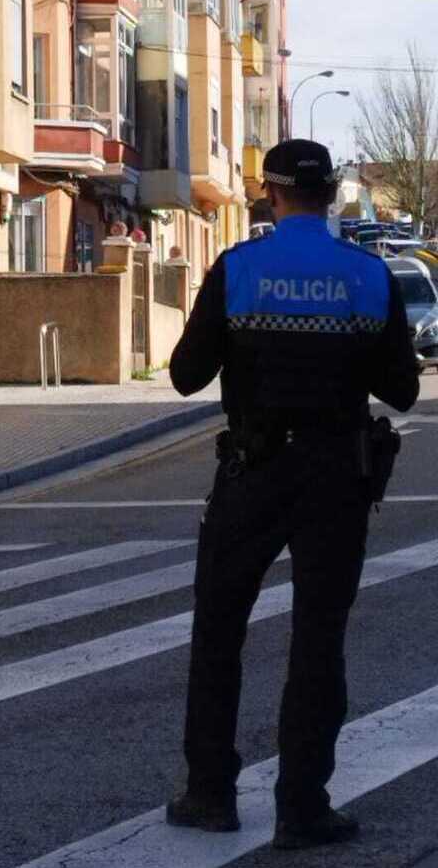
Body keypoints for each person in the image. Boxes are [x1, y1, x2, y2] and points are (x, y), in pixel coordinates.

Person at [165, 140, 420, 849]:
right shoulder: (368, 276)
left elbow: (186, 374)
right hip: (337, 478)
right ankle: (302, 805)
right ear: (335, 194)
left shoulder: (238, 269)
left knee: (218, 632)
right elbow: (403, 388)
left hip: (250, 474)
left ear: (268, 195)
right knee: (318, 640)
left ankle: (211, 792)